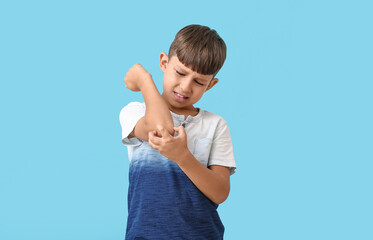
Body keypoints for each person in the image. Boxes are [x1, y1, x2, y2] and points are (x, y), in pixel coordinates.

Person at [119, 24, 237, 239]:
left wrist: (183, 157)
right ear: (164, 62)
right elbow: (160, 129)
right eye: (180, 73)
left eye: (199, 81)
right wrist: (146, 81)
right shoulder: (136, 112)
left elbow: (220, 193)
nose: (185, 87)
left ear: (210, 85)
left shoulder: (215, 125)